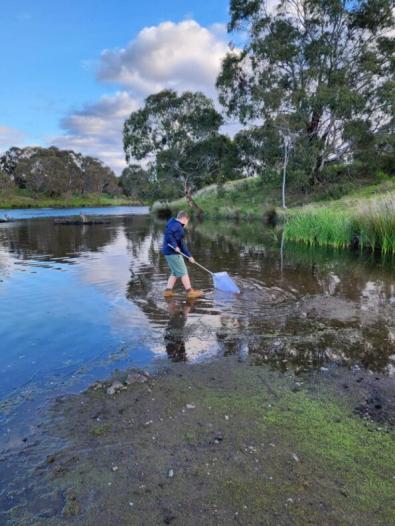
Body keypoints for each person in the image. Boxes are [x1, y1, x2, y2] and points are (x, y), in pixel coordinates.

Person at [162, 211, 203, 299]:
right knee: (183, 271)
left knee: (175, 272)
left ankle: (167, 291)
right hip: (172, 253)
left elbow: (181, 244)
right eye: (187, 221)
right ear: (184, 219)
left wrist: (189, 256)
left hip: (167, 252)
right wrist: (174, 245)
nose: (187, 224)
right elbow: (169, 235)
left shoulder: (172, 223)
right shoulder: (177, 226)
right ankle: (190, 292)